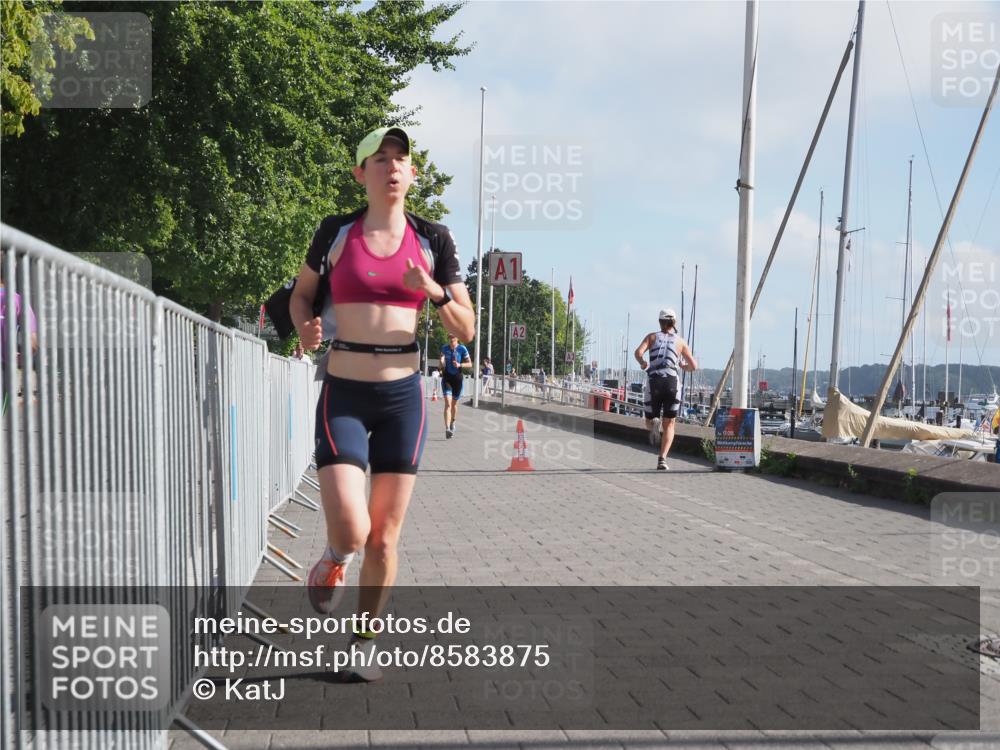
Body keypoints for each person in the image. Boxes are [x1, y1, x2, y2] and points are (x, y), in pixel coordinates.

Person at [289, 126, 474, 680]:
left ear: (412, 174)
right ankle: (333, 559)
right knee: (352, 530)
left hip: (402, 397)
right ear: (360, 173)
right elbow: (300, 294)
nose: (392, 167)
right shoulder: (336, 232)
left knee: (386, 536)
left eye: (401, 158)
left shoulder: (434, 239)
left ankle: (364, 641)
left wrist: (434, 291)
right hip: (344, 391)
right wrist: (305, 328)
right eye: (380, 158)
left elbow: (465, 327)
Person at [634, 308, 697, 470]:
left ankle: (654, 423)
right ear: (674, 323)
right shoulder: (680, 342)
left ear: (660, 322)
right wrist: (683, 366)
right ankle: (662, 459)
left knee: (649, 420)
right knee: (670, 424)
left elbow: (638, 352)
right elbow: (693, 366)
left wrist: (643, 363)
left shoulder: (652, 337)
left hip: (654, 380)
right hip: (672, 383)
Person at [439, 334, 471, 437]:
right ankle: (447, 428)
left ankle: (453, 422)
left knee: (453, 405)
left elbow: (470, 364)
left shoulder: (462, 348)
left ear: (457, 338)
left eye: (453, 338)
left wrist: (460, 365)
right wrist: (441, 361)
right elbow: (440, 366)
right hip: (447, 378)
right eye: (450, 338)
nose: (451, 340)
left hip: (457, 379)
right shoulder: (444, 348)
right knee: (448, 404)